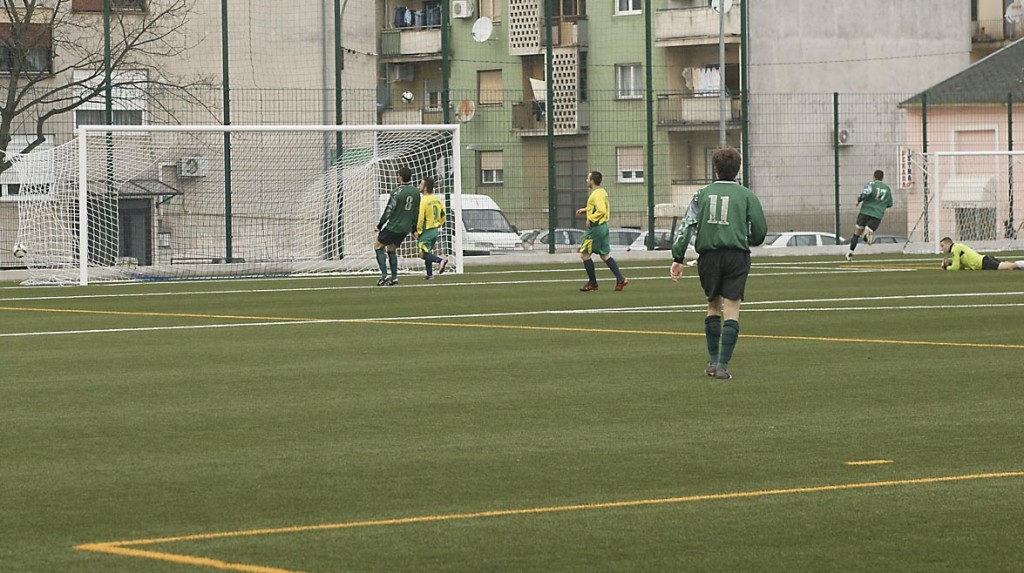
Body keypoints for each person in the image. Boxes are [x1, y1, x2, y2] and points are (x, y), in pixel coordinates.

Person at [669, 147, 768, 380]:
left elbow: (687, 226)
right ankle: (723, 366)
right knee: (732, 309)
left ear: (715, 169)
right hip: (736, 256)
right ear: (737, 169)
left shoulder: (701, 194)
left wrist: (678, 257)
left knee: (713, 306)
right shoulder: (747, 195)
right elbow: (760, 231)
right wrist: (747, 239)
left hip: (709, 257)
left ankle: (713, 361)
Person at [576, 171, 628, 292]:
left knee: (584, 255)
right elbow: (597, 207)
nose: (586, 181)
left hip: (596, 228)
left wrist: (590, 219)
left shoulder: (596, 194)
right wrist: (586, 210)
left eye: (588, 178)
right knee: (604, 255)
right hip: (603, 226)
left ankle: (593, 283)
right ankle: (620, 279)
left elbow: (601, 210)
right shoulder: (602, 192)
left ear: (592, 181)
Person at [373, 166, 420, 286]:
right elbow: (416, 211)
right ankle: (394, 278)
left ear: (400, 177)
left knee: (378, 246)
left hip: (394, 226)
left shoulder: (396, 192)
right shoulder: (416, 192)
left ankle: (384, 275)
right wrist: (413, 229)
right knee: (391, 248)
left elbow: (389, 210)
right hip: (405, 228)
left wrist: (380, 225)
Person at [846, 170, 893, 261]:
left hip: (865, 212)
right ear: (882, 178)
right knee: (867, 231)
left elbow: (865, 194)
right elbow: (890, 204)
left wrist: (859, 200)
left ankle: (850, 253)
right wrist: (880, 205)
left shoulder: (871, 184)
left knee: (856, 234)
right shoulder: (887, 189)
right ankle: (866, 235)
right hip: (877, 215)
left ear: (874, 176)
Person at [414, 175, 449, 280]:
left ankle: (440, 260)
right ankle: (429, 274)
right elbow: (443, 214)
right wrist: (440, 224)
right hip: (435, 230)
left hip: (427, 230)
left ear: (425, 187)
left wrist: (418, 230)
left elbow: (420, 217)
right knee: (427, 252)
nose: (419, 186)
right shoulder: (437, 199)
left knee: (422, 254)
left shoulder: (424, 200)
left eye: (421, 184)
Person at [939, 237, 1024, 271]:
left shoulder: (955, 249)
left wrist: (946, 268)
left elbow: (956, 267)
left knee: (1007, 267)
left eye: (942, 246)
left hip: (983, 262)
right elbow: (961, 266)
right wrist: (949, 264)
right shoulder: (956, 248)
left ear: (948, 244)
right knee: (1007, 266)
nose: (941, 248)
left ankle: (1021, 264)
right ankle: (1020, 265)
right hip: (983, 261)